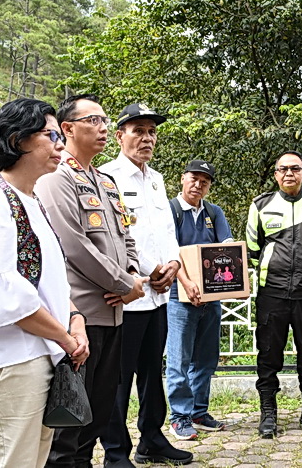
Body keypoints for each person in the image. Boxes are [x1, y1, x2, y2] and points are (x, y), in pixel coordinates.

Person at [0, 98, 89, 467]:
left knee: (32, 459)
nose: (60, 145)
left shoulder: (31, 201)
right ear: (18, 140)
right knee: (15, 461)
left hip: (39, 354)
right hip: (9, 359)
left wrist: (76, 321)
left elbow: (52, 281)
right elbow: (5, 293)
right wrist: (64, 335)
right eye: (51, 135)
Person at [35, 94, 147, 468]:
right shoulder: (56, 178)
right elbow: (73, 245)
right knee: (69, 421)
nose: (103, 128)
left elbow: (125, 236)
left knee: (98, 414)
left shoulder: (106, 181)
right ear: (67, 129)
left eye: (104, 120)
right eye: (93, 121)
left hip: (114, 315)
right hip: (80, 316)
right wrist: (122, 283)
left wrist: (131, 275)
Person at [99, 104, 191, 467]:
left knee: (153, 373)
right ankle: (116, 452)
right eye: (138, 130)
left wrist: (173, 264)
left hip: (158, 297)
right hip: (127, 295)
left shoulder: (156, 178)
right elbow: (112, 236)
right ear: (120, 135)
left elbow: (167, 231)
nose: (147, 138)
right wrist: (150, 270)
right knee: (119, 380)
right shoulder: (106, 177)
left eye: (151, 131)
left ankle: (151, 439)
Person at [246, 150, 302, 438]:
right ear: (275, 174)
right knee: (269, 355)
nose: (289, 174)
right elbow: (253, 248)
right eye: (283, 169)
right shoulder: (261, 205)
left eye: (295, 169)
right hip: (271, 293)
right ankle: (268, 414)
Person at [165, 160, 233, 441]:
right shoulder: (170, 210)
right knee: (179, 359)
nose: (198, 184)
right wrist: (187, 282)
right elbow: (168, 250)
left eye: (205, 181)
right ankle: (179, 416)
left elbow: (226, 243)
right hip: (178, 297)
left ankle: (198, 412)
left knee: (206, 357)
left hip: (211, 297)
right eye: (194, 178)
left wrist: (236, 262)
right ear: (183, 178)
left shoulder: (213, 212)